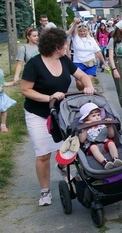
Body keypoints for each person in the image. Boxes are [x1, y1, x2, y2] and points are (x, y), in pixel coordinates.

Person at [21, 28, 95, 206]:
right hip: (38, 113)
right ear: (56, 47)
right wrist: (49, 98)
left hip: (61, 112)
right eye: (64, 44)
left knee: (69, 148)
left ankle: (62, 167)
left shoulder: (64, 60)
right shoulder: (34, 64)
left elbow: (82, 75)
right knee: (43, 154)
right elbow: (25, 90)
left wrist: (88, 86)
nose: (67, 47)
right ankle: (45, 191)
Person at [77, 103, 122, 170]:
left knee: (111, 142)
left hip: (104, 145)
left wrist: (109, 126)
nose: (97, 117)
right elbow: (81, 140)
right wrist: (85, 130)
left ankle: (115, 158)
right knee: (93, 147)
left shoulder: (103, 125)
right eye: (93, 116)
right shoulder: (84, 128)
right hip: (92, 147)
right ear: (86, 119)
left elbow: (111, 135)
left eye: (98, 115)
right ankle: (104, 162)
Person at [69, 22, 109, 91]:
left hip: (90, 63)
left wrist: (104, 62)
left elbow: (98, 52)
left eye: (84, 31)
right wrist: (75, 23)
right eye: (81, 31)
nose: (82, 33)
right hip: (78, 63)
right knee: (79, 84)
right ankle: (82, 93)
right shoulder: (75, 38)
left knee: (88, 82)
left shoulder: (91, 40)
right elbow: (72, 30)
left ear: (87, 31)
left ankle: (89, 96)